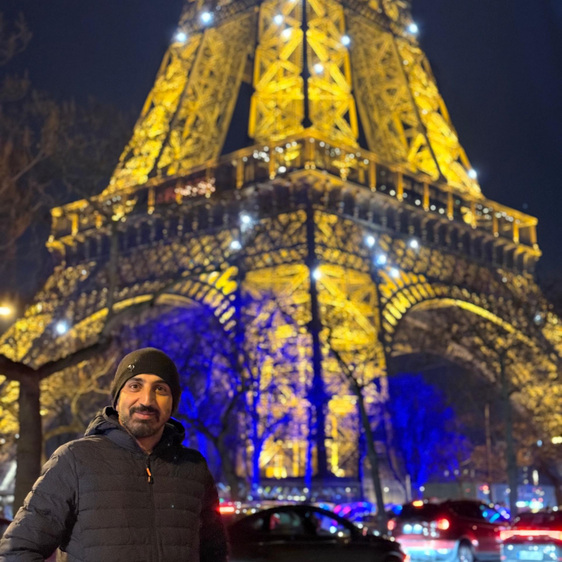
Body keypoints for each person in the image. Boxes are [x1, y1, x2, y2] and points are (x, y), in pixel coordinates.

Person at [0, 347, 228, 561]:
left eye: (160, 389)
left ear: (172, 403)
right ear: (117, 400)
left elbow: (214, 554)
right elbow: (18, 550)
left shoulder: (194, 468)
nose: (147, 400)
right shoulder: (74, 460)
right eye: (135, 386)